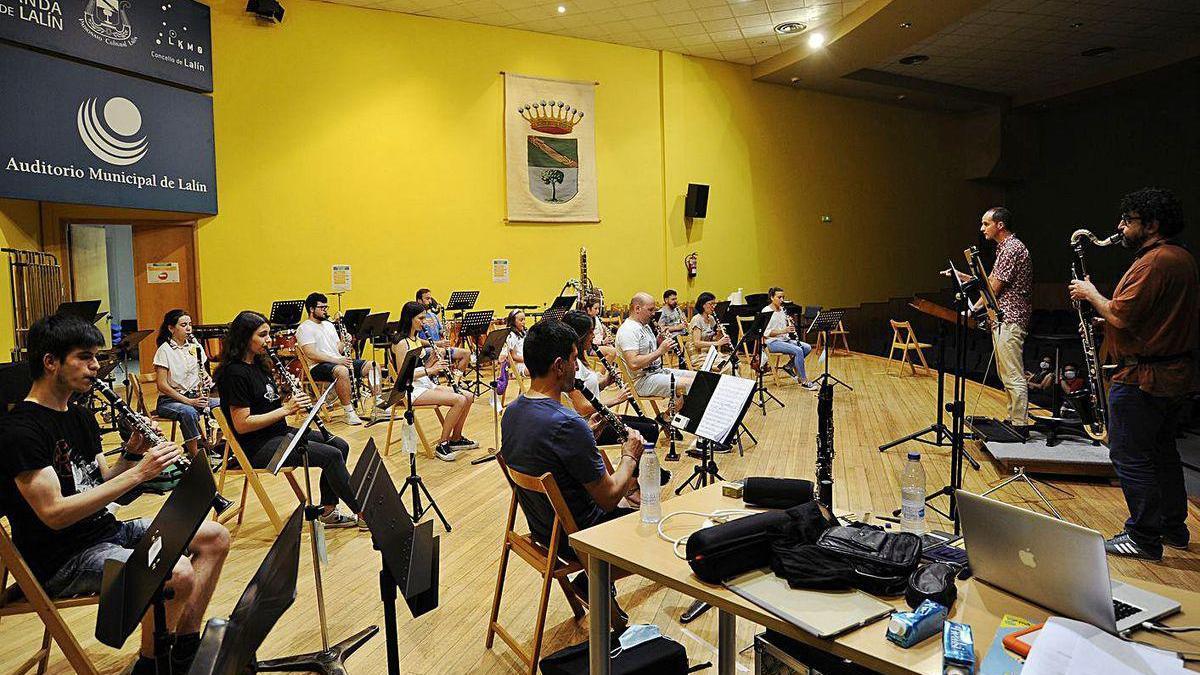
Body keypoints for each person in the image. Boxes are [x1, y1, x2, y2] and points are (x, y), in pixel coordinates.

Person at [0, 314, 229, 675]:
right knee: (177, 571)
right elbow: (55, 513)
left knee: (215, 536)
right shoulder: (21, 431)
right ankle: (151, 665)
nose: (96, 367)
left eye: (96, 357)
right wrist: (140, 472)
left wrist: (132, 455)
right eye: (84, 357)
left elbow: (104, 486)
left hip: (105, 532)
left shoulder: (78, 417)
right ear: (50, 362)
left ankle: (183, 648)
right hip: (62, 558)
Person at [1069, 187, 1199, 561]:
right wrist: (1105, 318)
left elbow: (1123, 314)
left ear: (1153, 224)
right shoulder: (1179, 258)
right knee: (1161, 453)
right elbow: (1145, 317)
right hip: (1169, 375)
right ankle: (1173, 527)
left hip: (1144, 378)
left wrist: (1090, 293)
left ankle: (1143, 536)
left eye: (1129, 222)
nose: (1120, 228)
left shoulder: (1155, 261)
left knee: (1129, 454)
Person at [499, 318, 645, 623]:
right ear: (559, 365)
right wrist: (629, 458)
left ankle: (596, 588)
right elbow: (607, 498)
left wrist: (585, 440)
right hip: (580, 539)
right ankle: (594, 580)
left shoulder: (511, 412)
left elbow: (546, 457)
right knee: (650, 521)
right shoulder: (566, 422)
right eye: (574, 359)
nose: (577, 367)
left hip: (544, 530)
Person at [215, 311, 364, 529]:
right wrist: (286, 409)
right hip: (258, 447)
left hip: (278, 433)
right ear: (244, 337)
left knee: (339, 445)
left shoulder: (259, 365)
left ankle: (329, 511)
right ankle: (363, 512)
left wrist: (289, 400)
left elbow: (267, 403)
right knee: (331, 456)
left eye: (269, 334)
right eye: (263, 335)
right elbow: (242, 424)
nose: (269, 340)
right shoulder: (234, 374)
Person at [389, 301, 477, 461]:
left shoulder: (415, 339)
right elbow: (404, 375)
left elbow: (421, 367)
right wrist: (431, 370)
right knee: (459, 400)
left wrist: (434, 363)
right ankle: (442, 444)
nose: (424, 322)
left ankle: (456, 439)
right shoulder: (401, 343)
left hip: (424, 384)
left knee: (469, 396)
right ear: (410, 318)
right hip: (409, 390)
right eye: (421, 318)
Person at [562, 310, 659, 447]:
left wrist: (606, 381)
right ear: (580, 336)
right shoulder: (572, 365)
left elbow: (587, 389)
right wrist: (616, 399)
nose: (593, 336)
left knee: (650, 424)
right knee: (649, 430)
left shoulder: (581, 358)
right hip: (590, 426)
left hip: (598, 416)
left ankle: (645, 466)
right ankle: (640, 467)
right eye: (590, 332)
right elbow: (582, 408)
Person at [975, 207, 1034, 427]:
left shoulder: (1011, 248)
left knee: (1012, 375)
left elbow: (994, 287)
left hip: (1010, 317)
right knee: (1005, 375)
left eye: (986, 224)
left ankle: (1019, 424)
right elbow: (992, 281)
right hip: (1003, 318)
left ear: (1000, 225)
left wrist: (973, 309)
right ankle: (1013, 419)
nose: (982, 229)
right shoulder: (1005, 248)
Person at [295, 292, 383, 425]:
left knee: (373, 365)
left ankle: (379, 404)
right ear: (311, 309)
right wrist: (336, 360)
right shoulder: (304, 328)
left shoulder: (329, 325)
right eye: (322, 307)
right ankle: (348, 412)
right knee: (342, 371)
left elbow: (338, 349)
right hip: (318, 366)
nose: (325, 310)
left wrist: (346, 341)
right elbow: (311, 354)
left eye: (326, 307)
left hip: (336, 361)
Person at [153, 309, 220, 457]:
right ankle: (196, 455)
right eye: (183, 325)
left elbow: (201, 371)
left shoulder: (195, 346)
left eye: (190, 324)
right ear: (171, 328)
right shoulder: (164, 350)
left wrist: (208, 378)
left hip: (195, 397)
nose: (189, 328)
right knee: (188, 412)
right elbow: (162, 385)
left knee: (223, 404)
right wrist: (189, 401)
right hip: (170, 401)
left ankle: (212, 445)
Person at [616, 292, 696, 401]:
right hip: (640, 381)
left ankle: (673, 413)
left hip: (657, 372)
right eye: (650, 310)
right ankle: (667, 416)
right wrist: (660, 351)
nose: (654, 313)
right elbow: (633, 363)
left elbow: (651, 348)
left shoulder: (645, 326)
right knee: (690, 384)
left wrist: (662, 340)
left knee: (698, 378)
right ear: (637, 309)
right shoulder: (628, 330)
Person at [761, 288, 817, 390]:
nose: (782, 300)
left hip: (784, 339)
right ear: (772, 297)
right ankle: (804, 381)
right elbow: (765, 333)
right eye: (779, 297)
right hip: (771, 342)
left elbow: (783, 327)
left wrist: (789, 323)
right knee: (798, 350)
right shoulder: (766, 311)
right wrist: (784, 330)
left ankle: (788, 366)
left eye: (783, 297)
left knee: (807, 347)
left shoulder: (782, 310)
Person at [415, 288, 470, 372]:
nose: (430, 301)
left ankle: (456, 381)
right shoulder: (416, 318)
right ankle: (433, 380)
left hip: (439, 348)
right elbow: (416, 340)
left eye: (430, 298)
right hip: (425, 349)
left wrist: (447, 329)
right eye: (427, 299)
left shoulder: (433, 315)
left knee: (466, 353)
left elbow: (442, 332)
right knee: (440, 352)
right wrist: (438, 344)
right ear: (419, 301)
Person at [688, 292, 732, 367]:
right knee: (727, 366)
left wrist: (719, 334)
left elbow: (713, 339)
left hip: (709, 353)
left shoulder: (711, 319)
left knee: (733, 361)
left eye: (714, 304)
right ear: (703, 305)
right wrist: (718, 343)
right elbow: (697, 343)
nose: (714, 306)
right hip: (698, 356)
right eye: (711, 304)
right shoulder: (697, 319)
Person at [500, 309, 528, 377]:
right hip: (520, 365)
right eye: (521, 320)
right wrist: (529, 359)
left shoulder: (523, 332)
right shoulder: (511, 335)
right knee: (542, 371)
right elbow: (513, 356)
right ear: (513, 322)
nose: (523, 322)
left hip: (526, 362)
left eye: (524, 319)